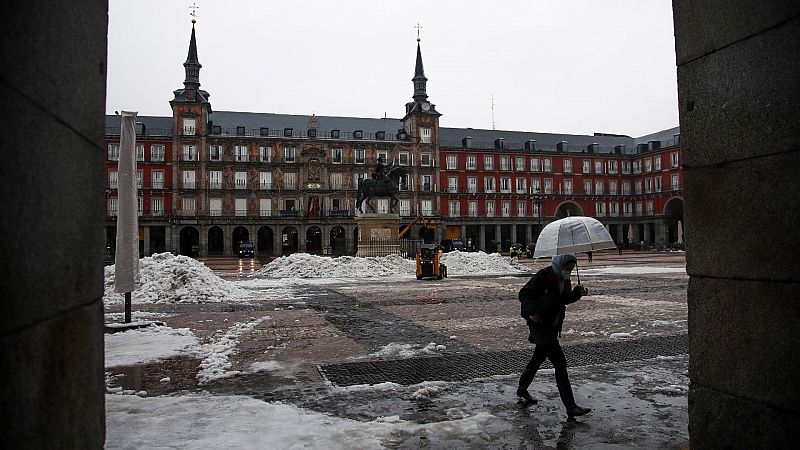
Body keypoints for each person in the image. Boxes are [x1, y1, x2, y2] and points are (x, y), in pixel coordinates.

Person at [516, 253, 592, 418]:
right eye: (567, 268)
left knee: (537, 359)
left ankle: (522, 390)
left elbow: (562, 300)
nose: (569, 272)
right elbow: (524, 294)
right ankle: (570, 406)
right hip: (540, 325)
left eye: (571, 269)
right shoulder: (544, 275)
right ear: (560, 265)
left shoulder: (563, 280)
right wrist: (532, 311)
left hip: (551, 325)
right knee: (560, 363)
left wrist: (577, 293)